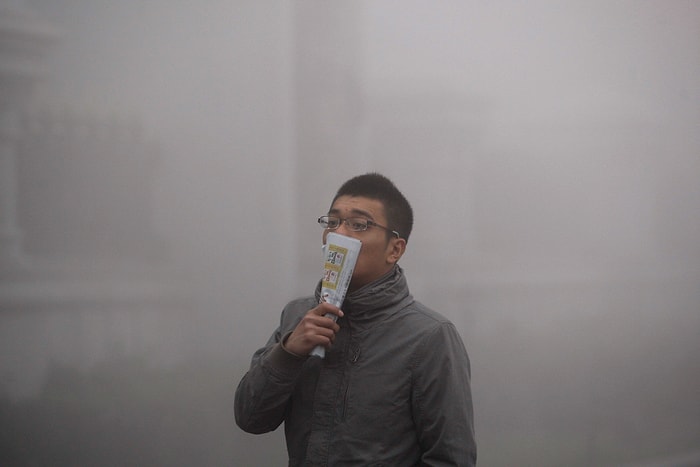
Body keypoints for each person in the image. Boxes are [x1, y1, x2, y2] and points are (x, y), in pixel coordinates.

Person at [235, 173, 476, 466]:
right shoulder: (298, 317)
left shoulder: (429, 337)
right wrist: (288, 353)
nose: (340, 234)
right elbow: (250, 418)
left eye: (359, 225)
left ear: (395, 249)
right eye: (333, 222)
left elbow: (451, 457)